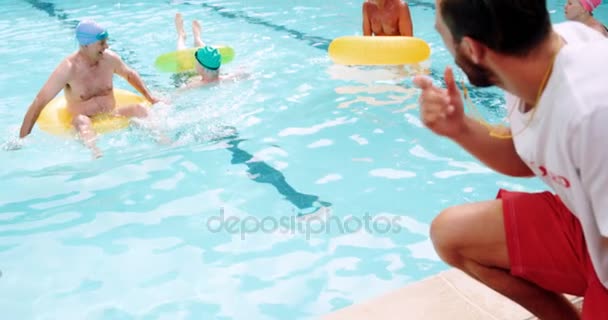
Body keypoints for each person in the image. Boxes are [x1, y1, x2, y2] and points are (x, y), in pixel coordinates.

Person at [413, 0, 608, 319]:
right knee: (452, 233)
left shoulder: (591, 113)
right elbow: (528, 155)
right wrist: (460, 129)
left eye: (441, 34)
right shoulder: (540, 56)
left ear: (473, 49)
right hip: (587, 222)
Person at [18, 20, 159, 158]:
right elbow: (40, 101)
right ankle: (96, 153)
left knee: (140, 109)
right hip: (83, 120)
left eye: (106, 42)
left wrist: (150, 97)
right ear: (85, 44)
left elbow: (129, 74)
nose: (106, 46)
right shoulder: (68, 69)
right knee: (82, 121)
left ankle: (163, 141)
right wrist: (22, 139)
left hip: (111, 114)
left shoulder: (109, 59)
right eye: (101, 43)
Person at [173, 13, 225, 89]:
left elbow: (175, 94)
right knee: (207, 54)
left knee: (181, 59)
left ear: (201, 68)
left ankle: (181, 36)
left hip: (187, 76)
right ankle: (197, 39)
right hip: (206, 74)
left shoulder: (193, 86)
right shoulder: (225, 78)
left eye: (196, 60)